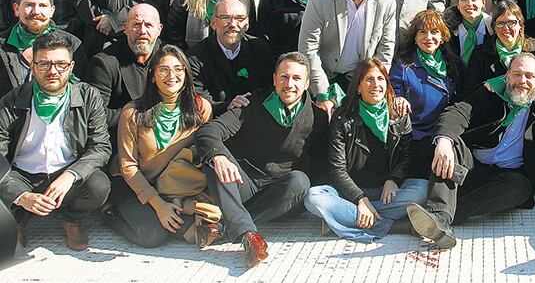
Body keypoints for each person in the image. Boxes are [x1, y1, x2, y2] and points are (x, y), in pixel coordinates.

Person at [406, 53, 535, 249]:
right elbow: (458, 111)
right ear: (507, 76)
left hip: (508, 179)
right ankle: (438, 215)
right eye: (517, 74)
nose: (522, 81)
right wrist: (444, 141)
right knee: (452, 143)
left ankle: (439, 220)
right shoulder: (492, 94)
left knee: (519, 187)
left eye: (529, 76)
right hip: (473, 166)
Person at [194, 52, 326, 268]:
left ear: (307, 83)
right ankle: (249, 235)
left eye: (296, 78)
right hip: (242, 182)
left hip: (279, 196)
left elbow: (322, 163)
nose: (289, 84)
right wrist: (219, 156)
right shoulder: (252, 103)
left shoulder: (317, 119)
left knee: (301, 181)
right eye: (283, 77)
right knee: (215, 160)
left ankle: (225, 228)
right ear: (274, 79)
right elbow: (208, 132)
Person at [0, 31, 111, 251]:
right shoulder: (13, 100)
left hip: (64, 171)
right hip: (21, 175)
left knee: (99, 187)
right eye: (44, 64)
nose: (53, 71)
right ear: (33, 67)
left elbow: (101, 145)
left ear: (71, 67)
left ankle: (69, 218)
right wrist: (20, 195)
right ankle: (19, 218)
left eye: (61, 64)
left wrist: (71, 175)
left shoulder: (88, 96)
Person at [106, 45, 217, 248]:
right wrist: (158, 205)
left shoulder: (201, 108)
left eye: (178, 69)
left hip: (173, 184)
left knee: (195, 227)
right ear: (153, 75)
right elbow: (128, 167)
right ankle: (111, 215)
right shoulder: (133, 112)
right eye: (163, 69)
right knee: (151, 236)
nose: (171, 75)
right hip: (133, 183)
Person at [304, 58, 427, 241]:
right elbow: (337, 168)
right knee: (313, 197)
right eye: (368, 79)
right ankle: (394, 225)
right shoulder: (343, 117)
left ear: (387, 84)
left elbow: (407, 156)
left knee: (422, 190)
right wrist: (360, 199)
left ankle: (344, 217)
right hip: (350, 192)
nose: (375, 84)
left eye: (380, 79)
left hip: (385, 193)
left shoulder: (398, 114)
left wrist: (394, 179)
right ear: (359, 86)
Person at [299, 0, 398, 117]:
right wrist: (322, 93)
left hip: (360, 78)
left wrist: (372, 85)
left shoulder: (386, 2)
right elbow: (308, 49)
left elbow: (385, 51)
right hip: (324, 74)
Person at [389, 11, 463, 177]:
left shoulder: (452, 65)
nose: (428, 37)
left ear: (443, 37)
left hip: (441, 135)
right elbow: (391, 95)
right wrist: (397, 100)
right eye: (422, 32)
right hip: (413, 139)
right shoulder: (403, 65)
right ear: (414, 37)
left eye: (434, 31)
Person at [186, 0, 276, 115]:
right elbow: (199, 102)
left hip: (254, 119)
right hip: (214, 122)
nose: (233, 24)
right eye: (225, 18)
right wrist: (228, 106)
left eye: (239, 18)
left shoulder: (263, 51)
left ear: (247, 24)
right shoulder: (194, 58)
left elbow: (269, 92)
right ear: (213, 22)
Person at [84, 3, 164, 132]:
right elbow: (95, 114)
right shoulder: (104, 63)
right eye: (136, 25)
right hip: (119, 136)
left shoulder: (169, 58)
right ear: (125, 28)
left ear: (159, 29)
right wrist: (139, 116)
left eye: (148, 25)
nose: (142, 31)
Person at [0, 0, 83, 99]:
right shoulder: (2, 45)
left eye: (43, 6)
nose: (36, 12)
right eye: (29, 5)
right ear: (16, 9)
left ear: (52, 10)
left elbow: (80, 91)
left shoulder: (73, 45)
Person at [461, 0, 535, 97]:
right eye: (500, 23)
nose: (506, 28)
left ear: (520, 25)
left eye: (511, 22)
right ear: (494, 28)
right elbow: (469, 89)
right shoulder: (481, 53)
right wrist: (485, 87)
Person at [443, 0, 493, 65]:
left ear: (483, 2)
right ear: (458, 5)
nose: (469, 3)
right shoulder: (448, 29)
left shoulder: (493, 27)